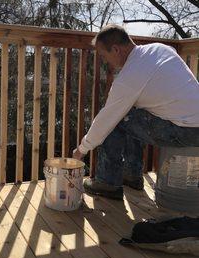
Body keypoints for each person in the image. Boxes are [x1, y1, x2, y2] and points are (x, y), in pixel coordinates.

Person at [73, 24, 199, 200]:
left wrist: (81, 150)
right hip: (193, 124)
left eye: (104, 55)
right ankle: (132, 175)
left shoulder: (128, 78)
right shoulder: (160, 48)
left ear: (116, 49)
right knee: (132, 111)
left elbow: (105, 121)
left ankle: (108, 183)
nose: (104, 61)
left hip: (186, 132)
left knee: (117, 119)